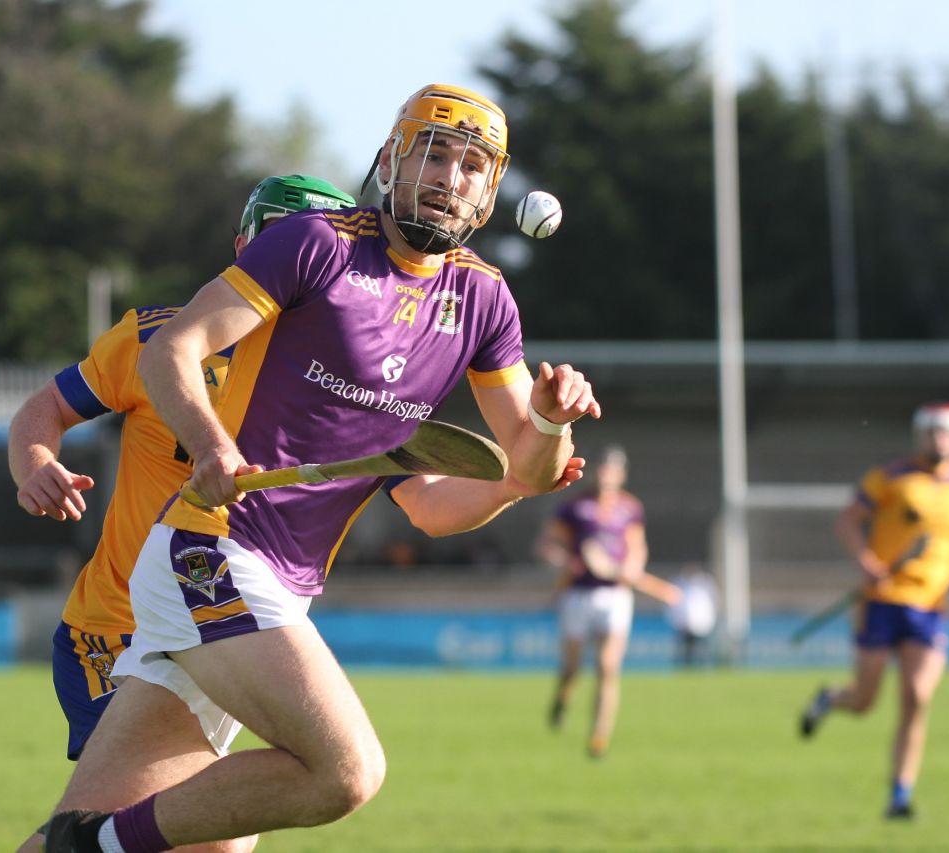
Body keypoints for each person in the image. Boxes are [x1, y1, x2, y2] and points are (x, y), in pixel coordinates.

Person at [43, 82, 600, 852]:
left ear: (490, 191)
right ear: (391, 159)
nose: (450, 177)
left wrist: (549, 421)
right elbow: (177, 348)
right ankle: (104, 845)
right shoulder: (316, 243)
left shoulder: (484, 302)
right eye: (435, 153)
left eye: (474, 166)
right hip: (208, 549)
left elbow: (509, 479)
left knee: (208, 843)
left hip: (282, 586)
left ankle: (85, 842)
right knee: (346, 770)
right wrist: (209, 444)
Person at [8, 174, 358, 853]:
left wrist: (527, 459)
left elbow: (428, 496)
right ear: (244, 250)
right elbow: (42, 409)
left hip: (224, 637)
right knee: (168, 837)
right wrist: (35, 463)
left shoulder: (338, 385)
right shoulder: (156, 337)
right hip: (116, 634)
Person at [799, 401, 949, 820]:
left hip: (931, 606)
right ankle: (831, 698)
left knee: (917, 696)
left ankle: (900, 796)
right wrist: (867, 562)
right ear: (919, 435)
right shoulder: (889, 477)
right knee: (865, 700)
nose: (940, 440)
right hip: (883, 602)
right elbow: (848, 521)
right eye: (933, 431)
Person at [538, 445, 680, 758]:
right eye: (602, 468)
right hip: (578, 593)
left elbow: (638, 548)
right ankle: (563, 697)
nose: (606, 474)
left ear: (621, 474)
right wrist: (564, 562)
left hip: (616, 595)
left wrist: (633, 567)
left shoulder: (630, 509)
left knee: (608, 666)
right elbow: (547, 544)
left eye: (612, 469)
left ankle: (599, 737)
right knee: (572, 669)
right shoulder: (574, 506)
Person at [666, 562, 717, 667]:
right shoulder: (679, 584)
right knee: (685, 653)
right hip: (684, 627)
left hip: (702, 626)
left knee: (702, 651)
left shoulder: (704, 584)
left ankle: (705, 669)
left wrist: (706, 622)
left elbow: (709, 605)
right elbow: (673, 607)